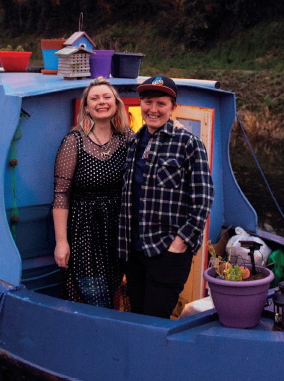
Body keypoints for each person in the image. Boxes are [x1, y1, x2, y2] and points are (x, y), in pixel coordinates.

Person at [118, 76, 214, 318]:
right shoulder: (133, 143)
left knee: (155, 319)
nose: (153, 109)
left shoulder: (189, 144)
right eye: (148, 102)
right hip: (135, 250)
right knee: (137, 315)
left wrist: (180, 243)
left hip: (168, 253)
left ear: (173, 107)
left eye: (161, 103)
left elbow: (203, 200)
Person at [52, 77, 131, 308]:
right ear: (86, 107)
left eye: (107, 97)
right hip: (84, 232)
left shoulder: (127, 138)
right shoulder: (73, 141)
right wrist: (61, 243)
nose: (101, 102)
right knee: (95, 299)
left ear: (116, 104)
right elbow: (61, 194)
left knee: (114, 292)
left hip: (116, 233)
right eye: (94, 98)